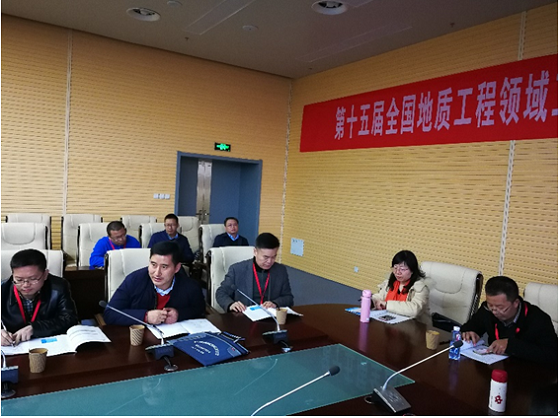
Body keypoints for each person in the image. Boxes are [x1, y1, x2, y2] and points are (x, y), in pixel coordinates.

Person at [103, 241, 205, 326]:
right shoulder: (134, 280)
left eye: (164, 267)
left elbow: (200, 310)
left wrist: (179, 314)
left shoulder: (191, 286)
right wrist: (145, 316)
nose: (157, 273)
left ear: (177, 268)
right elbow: (110, 313)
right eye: (153, 265)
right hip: (138, 339)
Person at [461, 276, 557, 363]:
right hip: (494, 365)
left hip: (528, 369)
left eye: (500, 307)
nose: (494, 311)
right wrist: (469, 332)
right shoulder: (487, 310)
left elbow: (552, 355)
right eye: (490, 305)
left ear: (515, 303)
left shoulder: (538, 319)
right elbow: (470, 326)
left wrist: (511, 345)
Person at [1, 249, 78, 346]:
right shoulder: (2, 290)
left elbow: (70, 319)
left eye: (33, 279)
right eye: (19, 280)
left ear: (45, 274)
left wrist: (35, 328)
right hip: (13, 347)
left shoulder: (58, 287)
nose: (26, 285)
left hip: (49, 345)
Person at [215, 232, 293, 312]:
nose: (269, 261)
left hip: (270, 316)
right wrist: (231, 304)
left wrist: (275, 303)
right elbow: (221, 293)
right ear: (255, 252)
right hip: (244, 316)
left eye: (273, 257)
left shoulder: (280, 270)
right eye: (266, 257)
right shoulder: (237, 270)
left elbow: (288, 298)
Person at [370, 250, 429, 319]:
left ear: (412, 270)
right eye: (395, 268)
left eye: (402, 269)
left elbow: (414, 309)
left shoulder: (420, 288)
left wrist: (387, 304)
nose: (397, 272)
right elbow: (380, 296)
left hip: (412, 324)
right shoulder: (390, 282)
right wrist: (371, 301)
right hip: (389, 319)